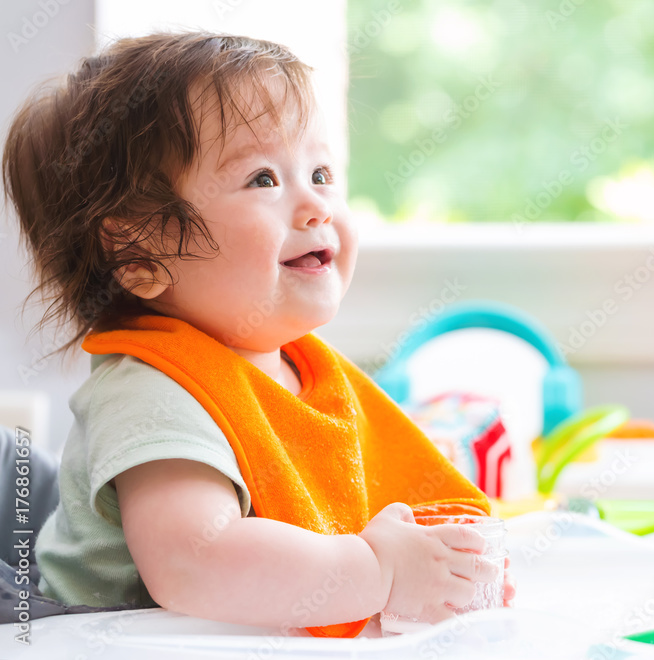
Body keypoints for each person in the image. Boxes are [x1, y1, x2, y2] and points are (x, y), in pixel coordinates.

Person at [2, 31, 513, 637]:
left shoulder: (299, 369)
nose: (316, 205)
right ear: (140, 254)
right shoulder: (153, 389)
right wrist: (377, 569)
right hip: (93, 641)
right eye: (264, 179)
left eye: (321, 172)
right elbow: (195, 562)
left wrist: (438, 563)